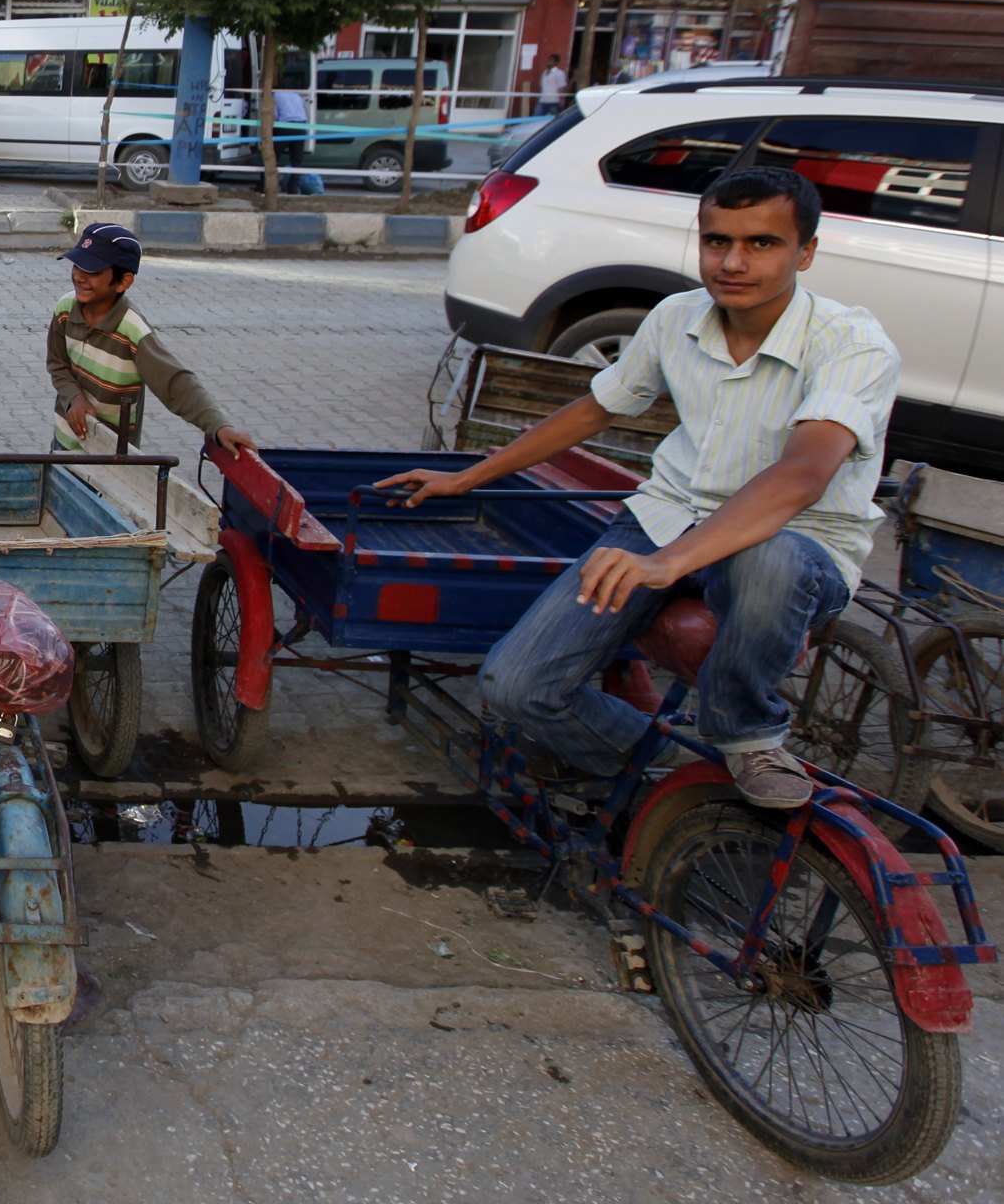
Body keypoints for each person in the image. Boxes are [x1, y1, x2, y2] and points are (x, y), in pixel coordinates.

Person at [382, 168, 894, 809]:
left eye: (761, 244)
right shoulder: (675, 317)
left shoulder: (852, 342)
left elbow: (802, 475)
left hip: (793, 544)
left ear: (806, 252)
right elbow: (596, 409)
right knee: (515, 686)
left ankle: (748, 736)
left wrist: (666, 564)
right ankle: (661, 763)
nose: (733, 262)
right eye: (717, 242)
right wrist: (468, 475)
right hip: (662, 518)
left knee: (773, 555)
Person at [49, 221, 256, 457]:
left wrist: (219, 426)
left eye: (93, 271)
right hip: (64, 441)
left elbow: (176, 383)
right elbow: (57, 364)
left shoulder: (133, 332)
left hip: (111, 456)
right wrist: (74, 399)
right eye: (77, 265)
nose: (79, 277)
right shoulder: (64, 309)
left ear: (123, 281)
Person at [269, 84, 321, 195]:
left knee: (271, 158)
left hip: (285, 127)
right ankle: (292, 190)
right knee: (297, 162)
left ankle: (267, 186)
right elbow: (303, 110)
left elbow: (275, 116)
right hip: (301, 127)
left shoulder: (275, 95)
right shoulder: (296, 95)